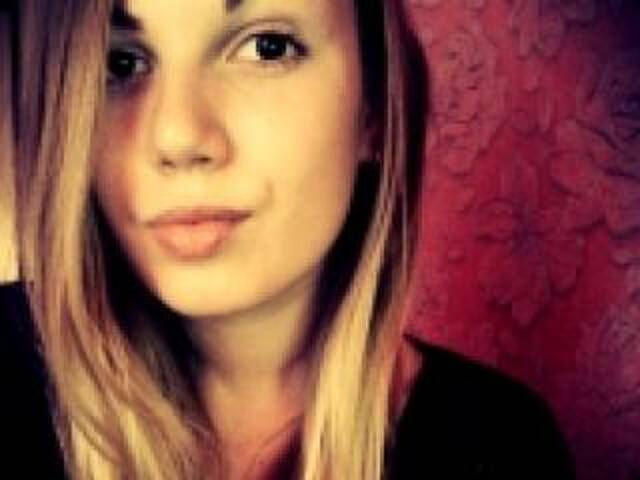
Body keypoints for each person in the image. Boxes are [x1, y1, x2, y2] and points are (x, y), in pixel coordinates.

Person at [0, 0, 576, 479]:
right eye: (119, 62)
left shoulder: (497, 444)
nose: (177, 136)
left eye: (267, 47)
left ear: (374, 108)